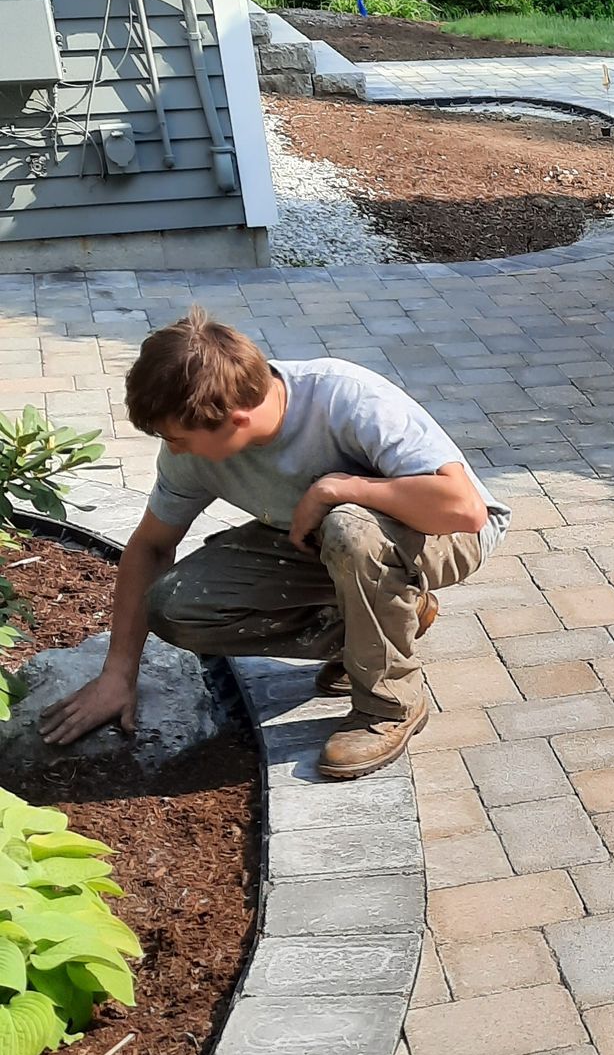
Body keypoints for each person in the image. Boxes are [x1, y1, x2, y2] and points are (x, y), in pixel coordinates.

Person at [44, 311, 509, 780]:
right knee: (175, 604)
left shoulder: (344, 398)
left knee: (349, 527)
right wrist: (118, 673)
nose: (173, 449)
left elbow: (462, 510)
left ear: (236, 420)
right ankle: (374, 633)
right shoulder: (191, 446)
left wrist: (338, 488)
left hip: (442, 535)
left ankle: (388, 706)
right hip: (322, 544)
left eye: (178, 438)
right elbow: (150, 547)